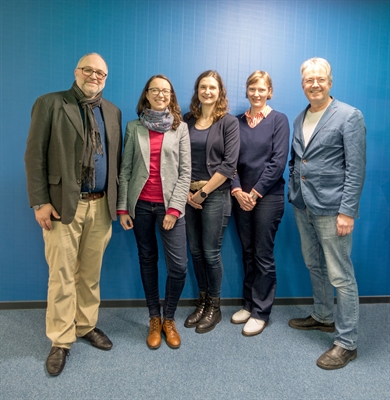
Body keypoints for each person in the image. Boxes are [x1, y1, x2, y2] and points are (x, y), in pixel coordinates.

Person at [24, 53, 122, 376]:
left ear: (106, 79)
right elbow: (34, 155)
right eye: (89, 70)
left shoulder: (112, 112)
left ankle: (85, 325)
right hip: (62, 206)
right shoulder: (50, 104)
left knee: (90, 275)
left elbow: (117, 162)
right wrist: (40, 202)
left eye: (101, 73)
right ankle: (61, 340)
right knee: (62, 275)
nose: (95, 76)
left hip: (101, 205)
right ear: (76, 72)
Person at [288, 57, 366, 370]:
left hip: (334, 209)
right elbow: (298, 160)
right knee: (313, 264)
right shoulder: (300, 117)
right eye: (309, 80)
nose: (315, 84)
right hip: (302, 205)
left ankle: (347, 343)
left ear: (330, 82)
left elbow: (356, 168)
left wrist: (348, 211)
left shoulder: (349, 116)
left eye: (321, 79)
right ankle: (322, 317)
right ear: (303, 84)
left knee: (340, 275)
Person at [117, 74, 191, 350]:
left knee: (179, 267)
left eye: (166, 91)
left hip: (169, 208)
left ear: (171, 97)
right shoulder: (133, 127)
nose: (161, 95)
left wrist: (174, 209)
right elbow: (125, 171)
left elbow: (185, 174)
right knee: (147, 259)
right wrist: (123, 208)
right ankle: (154, 318)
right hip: (141, 207)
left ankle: (169, 318)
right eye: (155, 90)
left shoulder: (180, 129)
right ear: (146, 94)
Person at [230, 71, 290, 336]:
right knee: (247, 252)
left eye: (261, 89)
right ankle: (248, 303)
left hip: (268, 197)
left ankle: (261, 312)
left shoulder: (279, 120)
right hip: (240, 197)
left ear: (270, 92)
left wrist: (254, 194)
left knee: (263, 254)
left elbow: (278, 162)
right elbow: (228, 161)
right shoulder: (236, 122)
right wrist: (236, 190)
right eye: (252, 88)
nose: (256, 93)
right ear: (247, 91)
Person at [184, 70, 239, 333]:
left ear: (220, 93)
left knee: (210, 252)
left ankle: (214, 308)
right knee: (195, 252)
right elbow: (178, 160)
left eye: (212, 88)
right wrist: (185, 193)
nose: (207, 91)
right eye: (203, 87)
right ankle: (202, 302)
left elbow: (229, 165)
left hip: (215, 196)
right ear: (197, 91)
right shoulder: (186, 121)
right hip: (187, 196)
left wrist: (203, 193)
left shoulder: (228, 123)